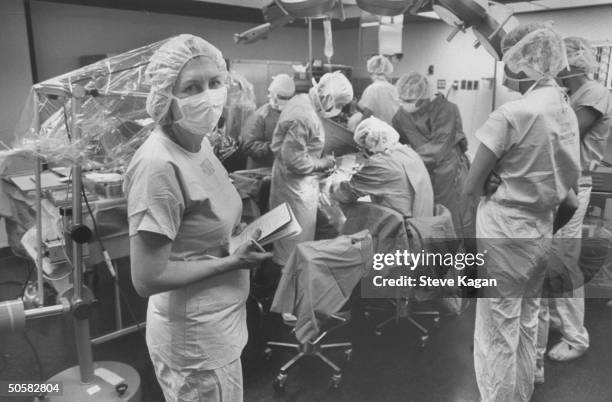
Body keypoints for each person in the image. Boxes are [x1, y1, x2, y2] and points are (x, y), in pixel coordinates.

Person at [124, 34, 272, 402]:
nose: (208, 95)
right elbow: (148, 277)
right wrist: (232, 262)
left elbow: (200, 211)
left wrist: (238, 225)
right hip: (195, 338)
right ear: (165, 96)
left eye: (214, 82)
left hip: (220, 320)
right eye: (191, 87)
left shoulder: (198, 141)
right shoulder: (158, 165)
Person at [463, 24, 581, 402]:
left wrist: (492, 184)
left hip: (503, 235)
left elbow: (470, 186)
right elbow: (571, 201)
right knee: (527, 325)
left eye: (510, 62)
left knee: (497, 333)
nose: (506, 70)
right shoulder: (565, 111)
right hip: (539, 234)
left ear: (528, 64)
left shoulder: (513, 114)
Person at [536, 36, 612, 367]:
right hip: (557, 185)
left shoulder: (595, 93)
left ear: (568, 62)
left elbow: (563, 134)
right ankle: (556, 319)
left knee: (563, 260)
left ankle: (575, 337)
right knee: (551, 259)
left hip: (572, 186)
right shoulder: (570, 94)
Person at [269, 71, 354, 266]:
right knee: (293, 249)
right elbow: (296, 161)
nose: (339, 110)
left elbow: (294, 149)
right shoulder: (304, 116)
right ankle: (290, 290)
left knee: (292, 244)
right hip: (295, 190)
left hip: (292, 183)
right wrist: (322, 163)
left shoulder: (301, 101)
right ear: (328, 98)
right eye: (339, 105)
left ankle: (290, 285)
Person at [391, 72, 476, 241]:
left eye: (408, 101)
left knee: (457, 219)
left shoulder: (447, 109)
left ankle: (464, 263)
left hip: (449, 171)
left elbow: (439, 146)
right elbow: (396, 142)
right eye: (401, 99)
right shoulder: (400, 116)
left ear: (423, 98)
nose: (404, 104)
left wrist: (406, 162)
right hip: (420, 173)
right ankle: (436, 261)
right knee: (429, 220)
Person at [331, 116, 434, 218]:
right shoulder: (409, 153)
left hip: (402, 228)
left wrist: (334, 183)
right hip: (422, 223)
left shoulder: (381, 163)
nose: (368, 152)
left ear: (372, 142)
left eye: (366, 147)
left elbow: (344, 194)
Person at [242, 73, 296, 169]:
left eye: (289, 98)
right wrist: (272, 147)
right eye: (282, 98)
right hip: (261, 172)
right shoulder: (261, 116)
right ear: (273, 95)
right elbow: (248, 147)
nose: (286, 101)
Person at [219, 72, 257, 172]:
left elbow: (231, 136)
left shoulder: (237, 108)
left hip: (235, 154)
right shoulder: (248, 107)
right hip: (242, 154)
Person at [357, 55, 400, 125]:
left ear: (371, 72)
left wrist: (357, 129)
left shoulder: (372, 89)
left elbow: (367, 114)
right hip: (395, 133)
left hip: (381, 133)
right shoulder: (394, 89)